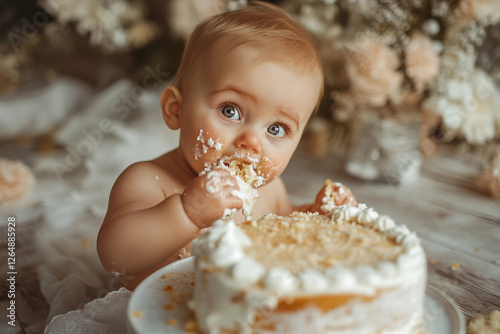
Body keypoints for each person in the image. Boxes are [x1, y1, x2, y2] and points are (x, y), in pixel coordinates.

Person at [97, 1, 356, 291]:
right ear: (175, 110)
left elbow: (285, 229)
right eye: (230, 111)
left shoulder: (270, 191)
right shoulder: (147, 181)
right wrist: (186, 212)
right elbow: (115, 256)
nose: (252, 142)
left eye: (276, 128)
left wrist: (317, 214)